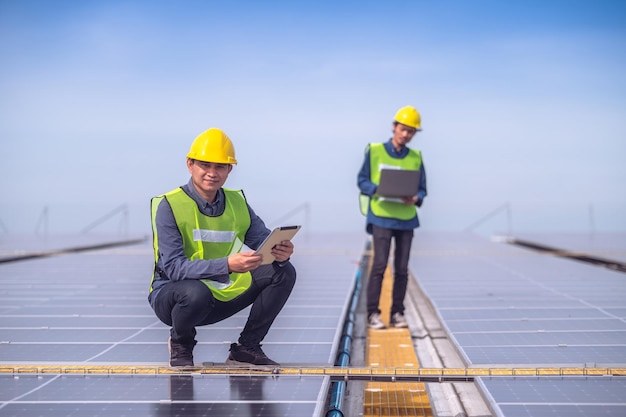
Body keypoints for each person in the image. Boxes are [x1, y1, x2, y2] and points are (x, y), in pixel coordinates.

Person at [149, 127, 297, 367]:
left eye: (220, 166)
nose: (212, 173)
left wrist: (281, 253)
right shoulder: (170, 205)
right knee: (194, 293)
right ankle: (181, 344)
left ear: (229, 169)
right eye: (205, 165)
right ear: (190, 164)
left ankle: (246, 347)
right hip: (176, 298)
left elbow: (263, 240)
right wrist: (228, 264)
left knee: (283, 271)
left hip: (219, 292)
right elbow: (174, 268)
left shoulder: (237, 202)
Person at [357, 105, 427, 329]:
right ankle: (372, 314)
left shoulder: (416, 156)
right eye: (403, 129)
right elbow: (362, 181)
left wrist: (416, 198)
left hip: (406, 218)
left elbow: (423, 188)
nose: (406, 134)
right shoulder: (375, 150)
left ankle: (397, 313)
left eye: (411, 131)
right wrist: (378, 189)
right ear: (394, 127)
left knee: (402, 269)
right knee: (379, 266)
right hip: (381, 216)